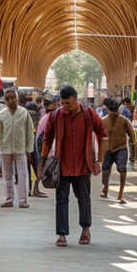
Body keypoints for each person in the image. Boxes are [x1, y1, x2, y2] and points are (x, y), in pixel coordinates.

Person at [40, 84, 107, 246]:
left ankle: (85, 229)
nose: (65, 106)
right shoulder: (56, 115)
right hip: (62, 166)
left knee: (84, 198)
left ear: (76, 100)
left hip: (83, 166)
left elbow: (103, 134)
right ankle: (62, 234)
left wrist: (101, 158)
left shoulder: (88, 114)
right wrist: (42, 160)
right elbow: (47, 138)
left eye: (68, 103)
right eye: (63, 103)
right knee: (61, 200)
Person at [0, 88, 35, 208]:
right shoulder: (2, 114)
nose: (10, 101)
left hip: (21, 148)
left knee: (22, 174)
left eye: (12, 98)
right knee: (7, 174)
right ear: (5, 101)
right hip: (5, 148)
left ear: (17, 98)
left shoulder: (24, 113)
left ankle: (23, 200)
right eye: (7, 99)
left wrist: (29, 149)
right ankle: (9, 198)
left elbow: (29, 132)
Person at [100, 98, 135, 202]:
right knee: (105, 169)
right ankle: (105, 186)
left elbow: (131, 132)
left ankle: (120, 193)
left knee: (122, 169)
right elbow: (98, 135)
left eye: (115, 111)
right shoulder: (103, 121)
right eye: (112, 111)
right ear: (108, 110)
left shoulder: (123, 120)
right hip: (108, 148)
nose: (114, 113)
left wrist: (133, 143)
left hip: (121, 148)